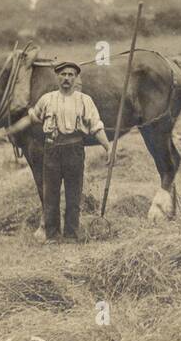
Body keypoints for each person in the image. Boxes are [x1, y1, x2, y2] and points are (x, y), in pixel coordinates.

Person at [6, 61, 112, 243]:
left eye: (71, 75)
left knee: (73, 195)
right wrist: (13, 129)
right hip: (52, 150)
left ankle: (71, 235)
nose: (67, 78)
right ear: (57, 77)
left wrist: (108, 147)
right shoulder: (47, 99)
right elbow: (32, 118)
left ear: (76, 78)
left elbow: (96, 126)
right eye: (63, 74)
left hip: (74, 150)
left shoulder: (85, 100)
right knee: (50, 195)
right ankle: (52, 235)